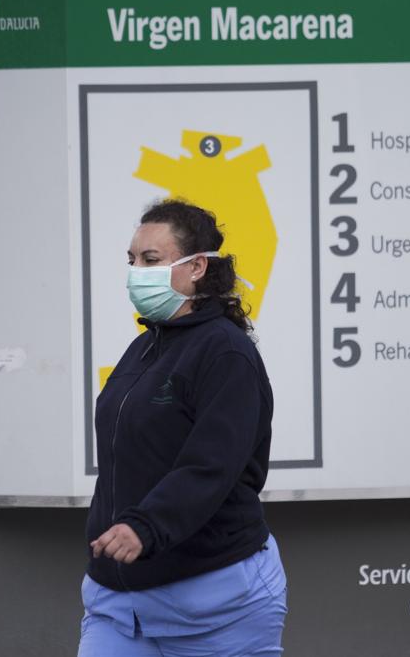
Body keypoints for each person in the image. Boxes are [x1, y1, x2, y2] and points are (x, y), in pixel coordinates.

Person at [78, 199, 286, 656]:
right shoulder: (143, 348)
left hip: (217, 606)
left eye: (151, 260)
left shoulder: (225, 354)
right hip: (119, 606)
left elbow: (211, 466)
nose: (136, 271)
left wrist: (145, 527)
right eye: (132, 260)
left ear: (195, 268)